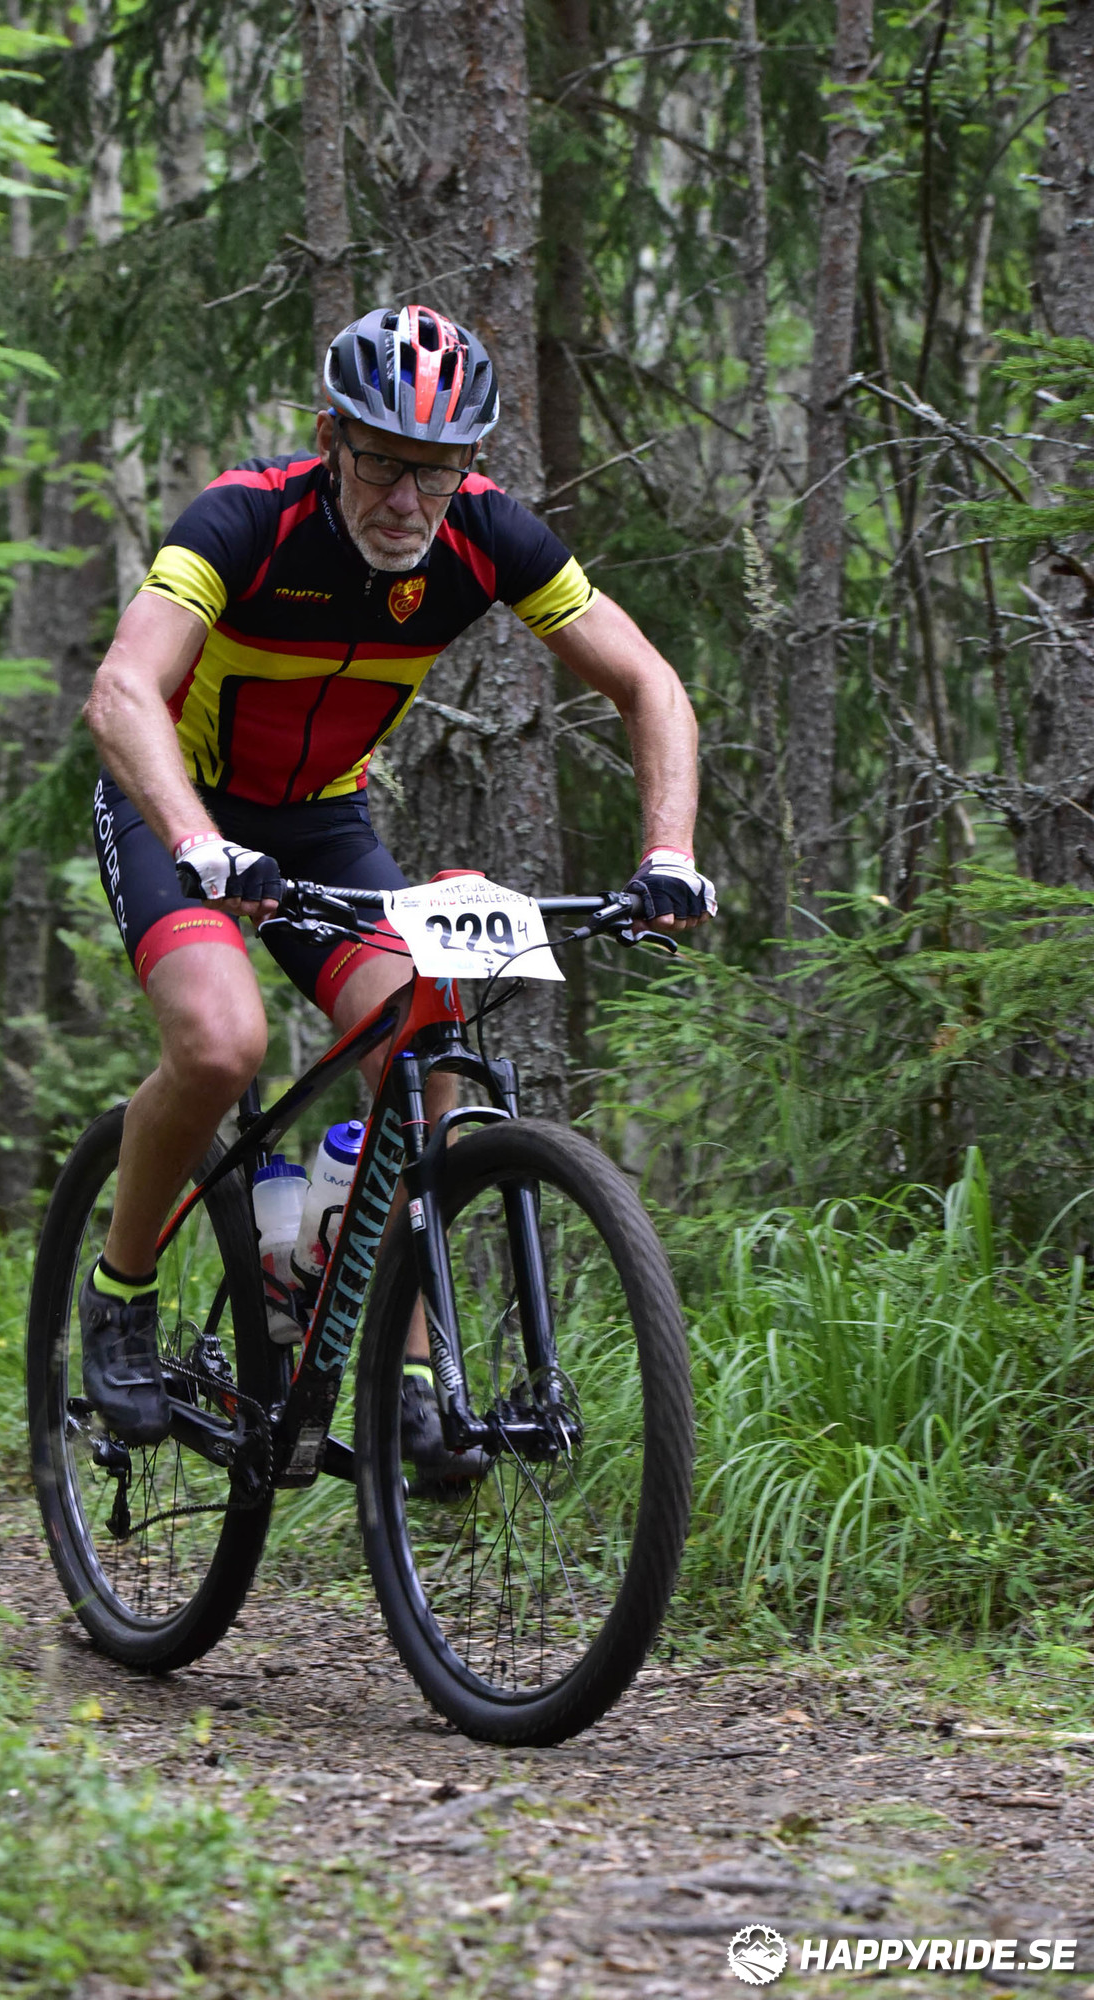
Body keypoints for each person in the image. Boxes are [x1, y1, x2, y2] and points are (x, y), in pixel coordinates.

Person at [79, 302, 716, 1467]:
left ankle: (409, 1370)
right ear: (331, 437)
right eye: (381, 463)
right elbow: (122, 692)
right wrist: (199, 840)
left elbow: (650, 684)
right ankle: (119, 1289)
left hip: (320, 822)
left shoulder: (488, 534)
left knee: (421, 1043)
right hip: (177, 803)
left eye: (437, 469)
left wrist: (668, 854)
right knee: (221, 1044)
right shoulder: (245, 518)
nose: (407, 500)